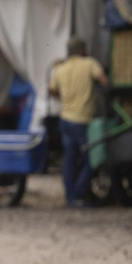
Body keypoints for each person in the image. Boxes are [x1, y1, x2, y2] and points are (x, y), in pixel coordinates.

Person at [49, 36, 108, 207]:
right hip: (83, 120)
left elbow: (51, 90)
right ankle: (79, 193)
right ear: (82, 50)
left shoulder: (60, 68)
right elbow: (104, 81)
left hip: (65, 120)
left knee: (69, 160)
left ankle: (70, 197)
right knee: (92, 158)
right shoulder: (89, 63)